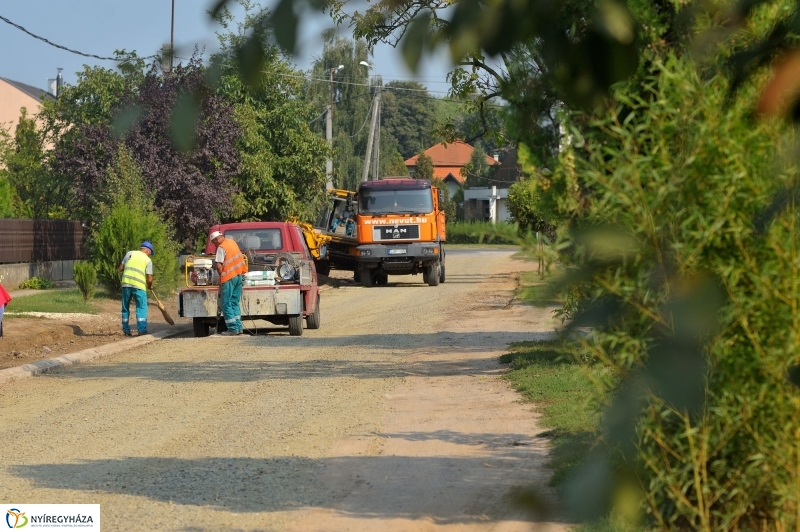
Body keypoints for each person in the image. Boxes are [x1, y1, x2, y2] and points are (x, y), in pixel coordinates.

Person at [211, 230, 247, 336]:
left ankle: (232, 329)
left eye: (214, 242)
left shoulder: (221, 248)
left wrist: (222, 276)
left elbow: (218, 265)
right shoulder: (232, 242)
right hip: (238, 276)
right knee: (234, 302)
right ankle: (239, 327)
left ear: (217, 239)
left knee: (226, 304)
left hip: (228, 278)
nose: (214, 245)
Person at [118, 241, 154, 336]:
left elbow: (120, 268)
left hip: (126, 284)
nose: (150, 255)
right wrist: (150, 286)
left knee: (125, 307)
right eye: (150, 253)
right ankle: (141, 330)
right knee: (141, 307)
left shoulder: (130, 253)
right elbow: (149, 278)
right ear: (147, 250)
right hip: (139, 286)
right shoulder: (148, 260)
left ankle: (126, 330)